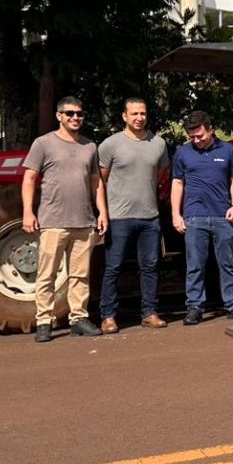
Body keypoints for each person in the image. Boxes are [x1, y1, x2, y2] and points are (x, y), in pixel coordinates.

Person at [22, 96, 108, 342]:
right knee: (47, 273)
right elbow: (29, 179)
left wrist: (102, 212)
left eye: (79, 114)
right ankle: (44, 321)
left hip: (84, 221)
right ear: (59, 115)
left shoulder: (90, 146)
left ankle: (79, 318)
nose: (75, 118)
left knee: (80, 274)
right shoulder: (43, 144)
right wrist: (28, 211)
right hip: (53, 221)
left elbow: (96, 183)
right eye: (69, 113)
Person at [98, 98, 171, 332]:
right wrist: (105, 210)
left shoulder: (158, 143)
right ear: (124, 116)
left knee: (150, 266)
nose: (139, 117)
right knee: (113, 267)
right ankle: (108, 316)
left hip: (150, 217)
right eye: (134, 113)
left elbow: (160, 173)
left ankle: (149, 312)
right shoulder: (110, 144)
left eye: (143, 113)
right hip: (119, 217)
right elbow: (100, 178)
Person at [171, 110, 233, 325]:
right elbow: (177, 183)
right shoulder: (183, 153)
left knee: (227, 263)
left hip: (223, 216)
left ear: (211, 129)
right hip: (194, 216)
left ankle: (232, 303)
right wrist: (176, 214)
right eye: (192, 136)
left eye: (200, 135)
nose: (197, 140)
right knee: (195, 264)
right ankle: (194, 306)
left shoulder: (228, 151)